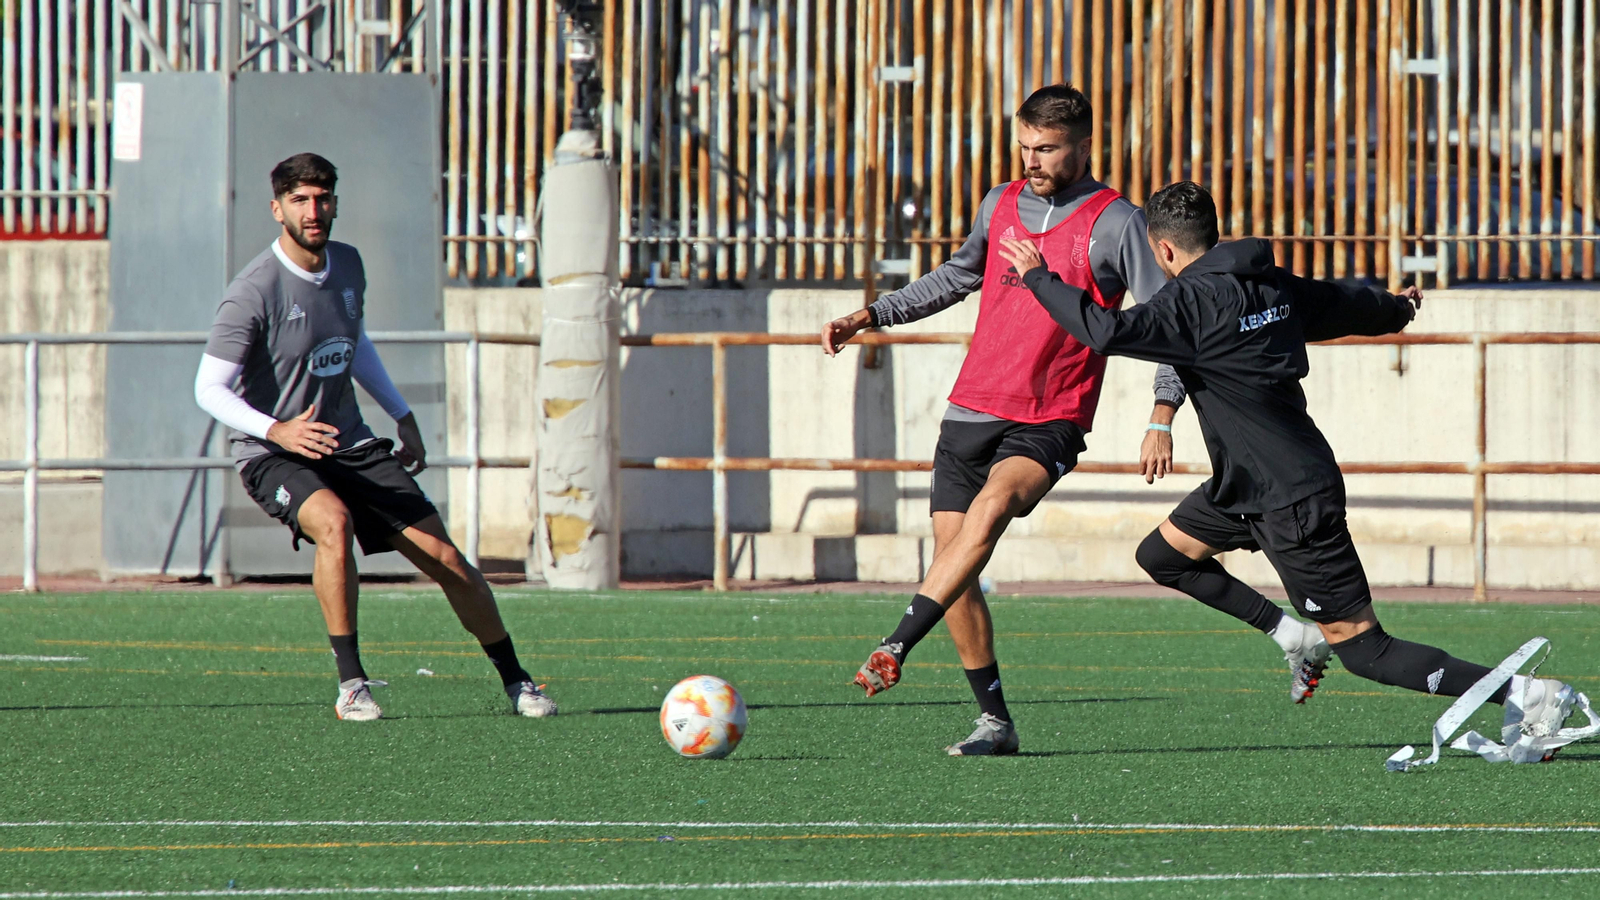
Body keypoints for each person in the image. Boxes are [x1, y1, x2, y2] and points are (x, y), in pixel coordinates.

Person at [821, 85, 1327, 757]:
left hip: (1051, 415)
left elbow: (1172, 320)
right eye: (1024, 145)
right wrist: (873, 313)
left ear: (1083, 145)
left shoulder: (1116, 223)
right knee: (956, 568)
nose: (1031, 159)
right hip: (971, 410)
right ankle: (995, 723)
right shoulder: (999, 204)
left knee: (993, 509)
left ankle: (894, 642)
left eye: (1047, 148)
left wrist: (1162, 412)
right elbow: (954, 277)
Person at [995, 180, 1585, 742]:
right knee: (1162, 556)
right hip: (1246, 488)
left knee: (1366, 651)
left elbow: (1104, 330)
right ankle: (1291, 634)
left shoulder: (1190, 301)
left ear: (1163, 248)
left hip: (1290, 500)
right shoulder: (1270, 284)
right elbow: (1342, 304)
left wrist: (1039, 277)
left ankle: (1527, 697)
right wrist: (1395, 310)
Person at [193, 152, 557, 722]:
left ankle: (518, 681)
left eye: (322, 199)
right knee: (333, 523)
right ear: (276, 209)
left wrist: (400, 412)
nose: (312, 211)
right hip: (273, 452)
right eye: (299, 201)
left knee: (448, 561)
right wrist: (278, 430)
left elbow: (354, 342)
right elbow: (208, 388)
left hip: (350, 442)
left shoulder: (349, 265)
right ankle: (352, 685)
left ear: (334, 203)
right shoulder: (253, 291)